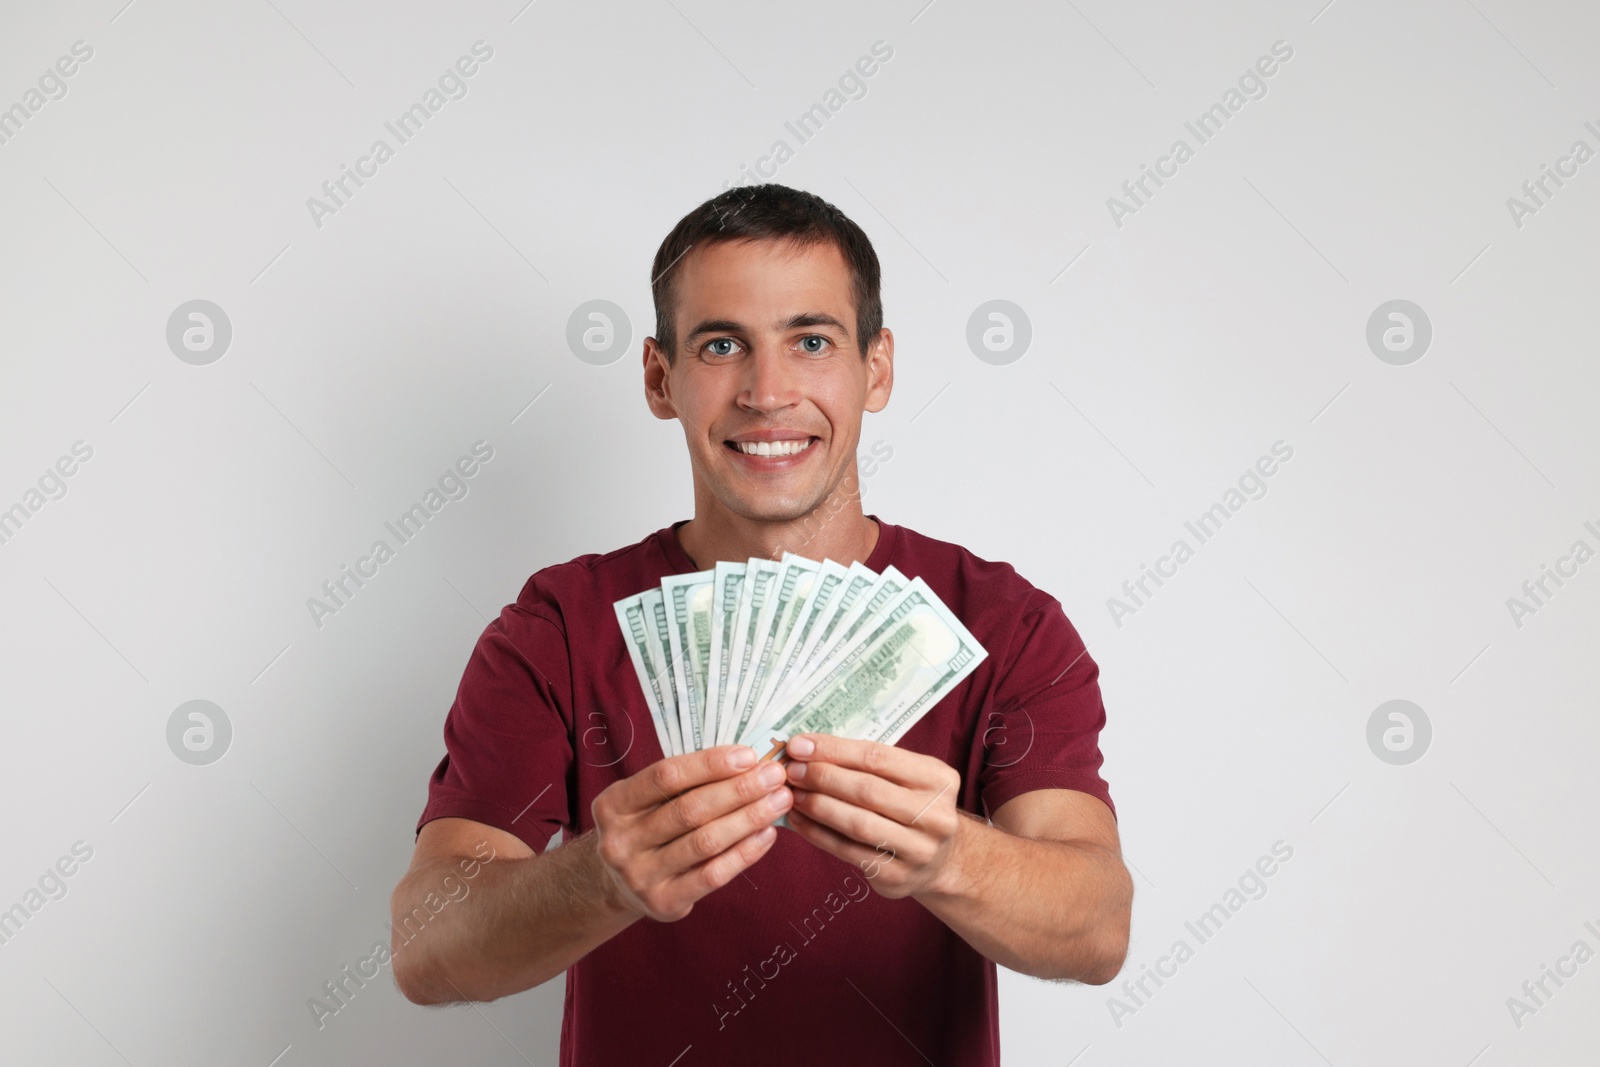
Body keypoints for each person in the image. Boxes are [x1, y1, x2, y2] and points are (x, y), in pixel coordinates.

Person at [389, 183, 1132, 1065]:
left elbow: (1098, 926)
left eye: (811, 341)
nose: (768, 391)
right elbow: (426, 947)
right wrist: (599, 876)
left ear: (878, 367)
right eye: (721, 344)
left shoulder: (1002, 623)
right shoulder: (559, 625)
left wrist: (950, 857)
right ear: (660, 378)